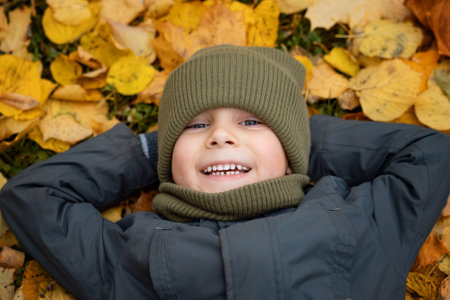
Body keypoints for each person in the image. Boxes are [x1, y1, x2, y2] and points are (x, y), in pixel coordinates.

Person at [1, 45, 449, 299]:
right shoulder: (126, 256)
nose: (220, 136)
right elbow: (35, 194)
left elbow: (430, 152)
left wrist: (302, 142)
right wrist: (150, 150)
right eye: (196, 126)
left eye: (251, 122)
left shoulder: (363, 223)